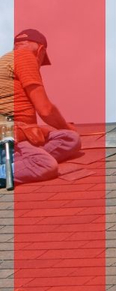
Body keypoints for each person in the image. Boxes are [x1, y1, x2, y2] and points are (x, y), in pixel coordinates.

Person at [0, 29, 81, 184]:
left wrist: (59, 129)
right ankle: (13, 167)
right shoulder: (25, 57)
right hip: (9, 137)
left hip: (17, 132)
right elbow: (45, 109)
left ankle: (22, 161)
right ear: (41, 51)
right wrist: (66, 126)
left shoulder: (7, 60)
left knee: (69, 139)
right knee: (44, 165)